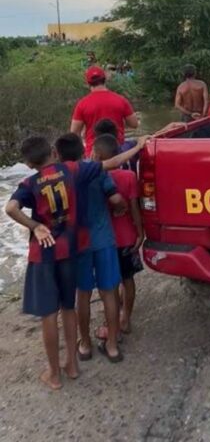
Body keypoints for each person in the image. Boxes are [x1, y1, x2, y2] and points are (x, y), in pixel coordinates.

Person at [4, 134, 146, 389]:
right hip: (88, 244)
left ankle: (76, 352)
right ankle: (101, 350)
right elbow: (113, 171)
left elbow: (12, 207)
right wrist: (138, 146)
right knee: (105, 294)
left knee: (69, 301)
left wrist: (35, 226)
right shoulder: (79, 171)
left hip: (65, 249)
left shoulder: (37, 181)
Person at [55, 134, 125, 363]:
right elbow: (115, 199)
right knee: (109, 293)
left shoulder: (58, 177)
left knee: (82, 295)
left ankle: (84, 345)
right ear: (83, 150)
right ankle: (112, 346)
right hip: (103, 239)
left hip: (78, 244)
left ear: (58, 155)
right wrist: (120, 209)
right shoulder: (96, 170)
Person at [94, 134, 145, 332]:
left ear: (97, 155)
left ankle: (112, 320)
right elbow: (134, 208)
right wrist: (140, 233)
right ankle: (126, 319)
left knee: (110, 283)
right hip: (128, 237)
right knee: (128, 279)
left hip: (105, 240)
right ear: (118, 154)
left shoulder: (96, 178)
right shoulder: (129, 176)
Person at [71, 66, 139, 156]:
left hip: (93, 153)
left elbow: (74, 133)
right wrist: (118, 120)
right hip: (118, 152)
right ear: (105, 79)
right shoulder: (120, 100)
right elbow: (134, 124)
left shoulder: (82, 104)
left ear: (88, 83)